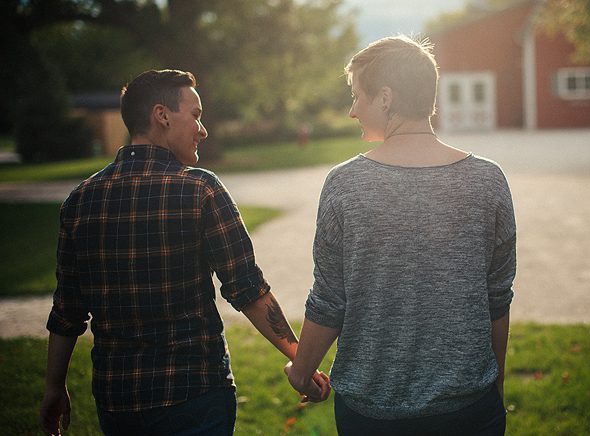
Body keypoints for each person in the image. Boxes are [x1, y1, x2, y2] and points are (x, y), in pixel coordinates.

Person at [39, 69, 328, 436]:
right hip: (195, 396)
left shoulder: (80, 200)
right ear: (161, 115)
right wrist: (300, 363)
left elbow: (67, 310)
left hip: (117, 401)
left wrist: (53, 387)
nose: (203, 129)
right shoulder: (201, 190)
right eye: (195, 114)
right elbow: (247, 288)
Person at [285, 36, 516, 435]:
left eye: (358, 95)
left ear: (386, 97)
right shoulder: (488, 180)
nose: (353, 110)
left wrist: (301, 372)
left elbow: (329, 299)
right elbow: (497, 296)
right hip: (470, 409)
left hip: (371, 414)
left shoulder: (345, 184)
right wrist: (495, 383)